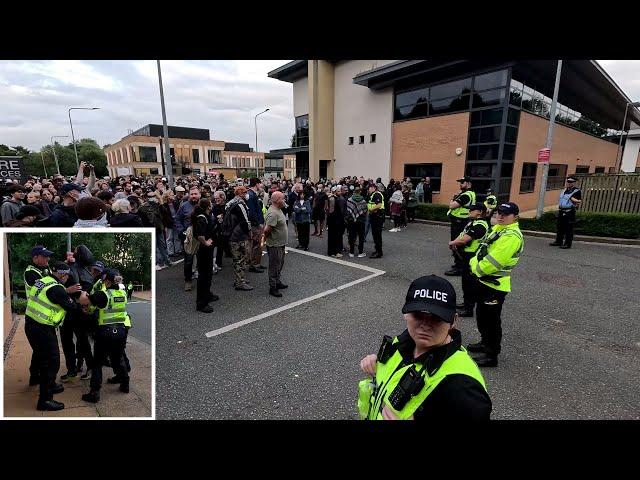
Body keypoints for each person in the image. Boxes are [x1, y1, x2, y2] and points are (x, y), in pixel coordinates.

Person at [358, 275, 491, 420]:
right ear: (406, 314)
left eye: (436, 318)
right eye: (418, 315)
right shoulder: (403, 342)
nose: (425, 326)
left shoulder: (463, 386)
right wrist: (377, 366)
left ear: (454, 321)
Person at [24, 262, 90, 411]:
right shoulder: (57, 289)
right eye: (67, 275)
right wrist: (84, 303)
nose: (67, 278)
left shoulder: (44, 280)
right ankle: (45, 400)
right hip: (41, 328)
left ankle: (48, 384)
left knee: (41, 357)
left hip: (33, 324)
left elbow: (53, 298)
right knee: (51, 361)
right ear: (62, 274)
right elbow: (72, 307)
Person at [468, 202, 524, 367]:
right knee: (482, 317)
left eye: (505, 214)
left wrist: (475, 269)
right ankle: (485, 343)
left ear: (515, 217)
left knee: (491, 321)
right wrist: (474, 264)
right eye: (499, 213)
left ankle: (492, 355)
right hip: (485, 281)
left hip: (495, 284)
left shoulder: (511, 236)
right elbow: (481, 250)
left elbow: (494, 261)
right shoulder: (500, 229)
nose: (500, 216)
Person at [81, 269, 131, 403]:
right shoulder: (123, 293)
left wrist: (83, 294)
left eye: (103, 280)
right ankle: (125, 384)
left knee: (97, 362)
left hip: (105, 332)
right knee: (117, 358)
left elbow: (85, 300)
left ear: (107, 281)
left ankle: (94, 392)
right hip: (121, 331)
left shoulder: (103, 295)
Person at [447, 203, 490, 317]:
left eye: (472, 210)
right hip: (466, 256)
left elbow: (465, 239)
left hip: (473, 256)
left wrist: (453, 243)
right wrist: (455, 241)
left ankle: (468, 309)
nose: (469, 211)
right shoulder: (473, 222)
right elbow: (462, 234)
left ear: (480, 212)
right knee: (465, 282)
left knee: (469, 283)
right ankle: (466, 303)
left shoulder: (480, 225)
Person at [192, 198, 219, 313]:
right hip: (204, 250)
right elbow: (200, 235)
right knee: (203, 276)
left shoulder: (206, 215)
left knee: (208, 274)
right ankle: (201, 303)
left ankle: (207, 295)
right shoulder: (201, 218)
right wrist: (206, 242)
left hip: (207, 249)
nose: (212, 204)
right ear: (208, 206)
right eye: (210, 203)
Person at [445, 177, 476, 276]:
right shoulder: (470, 193)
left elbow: (452, 205)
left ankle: (459, 268)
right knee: (458, 244)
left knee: (457, 244)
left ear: (468, 183)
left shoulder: (466, 195)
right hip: (461, 221)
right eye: (460, 182)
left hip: (459, 223)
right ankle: (458, 264)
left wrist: (452, 199)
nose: (460, 184)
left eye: (462, 182)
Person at [225, 186, 253, 291]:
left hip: (232, 234)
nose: (247, 194)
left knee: (237, 259)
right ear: (240, 194)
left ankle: (239, 278)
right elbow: (246, 221)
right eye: (245, 192)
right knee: (241, 258)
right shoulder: (240, 204)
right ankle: (240, 282)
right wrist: (249, 233)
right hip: (239, 235)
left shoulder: (230, 203)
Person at [264, 191, 289, 297]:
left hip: (280, 243)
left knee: (280, 264)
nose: (284, 201)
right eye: (283, 199)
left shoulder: (278, 209)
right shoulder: (273, 213)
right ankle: (273, 287)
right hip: (275, 244)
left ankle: (277, 282)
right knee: (274, 266)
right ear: (277, 200)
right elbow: (266, 230)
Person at [176, 186, 201, 291]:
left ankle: (201, 277)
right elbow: (177, 219)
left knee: (201, 259)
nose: (194, 196)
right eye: (192, 194)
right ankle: (188, 281)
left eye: (196, 194)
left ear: (199, 195)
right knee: (188, 260)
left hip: (201, 237)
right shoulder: (184, 206)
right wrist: (182, 231)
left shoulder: (203, 205)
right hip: (188, 237)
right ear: (189, 195)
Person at [550, 176, 582, 249]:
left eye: (570, 182)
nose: (568, 183)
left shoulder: (576, 191)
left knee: (568, 228)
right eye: (568, 181)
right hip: (561, 210)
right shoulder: (564, 190)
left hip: (569, 211)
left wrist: (573, 199)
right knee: (560, 227)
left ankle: (567, 244)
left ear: (574, 183)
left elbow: (579, 201)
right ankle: (558, 241)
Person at [247, 178, 267, 273]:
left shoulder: (251, 194)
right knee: (256, 244)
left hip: (257, 223)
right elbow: (252, 212)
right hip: (255, 224)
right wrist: (258, 223)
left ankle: (257, 263)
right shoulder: (251, 195)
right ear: (256, 184)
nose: (261, 185)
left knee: (258, 244)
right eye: (260, 183)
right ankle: (254, 264)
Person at [345, 186, 367, 258]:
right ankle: (360, 252)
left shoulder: (349, 200)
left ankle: (351, 252)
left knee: (352, 236)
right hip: (361, 221)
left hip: (352, 221)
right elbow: (365, 210)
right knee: (361, 236)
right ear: (360, 192)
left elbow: (348, 211)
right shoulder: (363, 201)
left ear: (354, 192)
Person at [367, 183, 385, 258]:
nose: (368, 190)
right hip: (375, 217)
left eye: (369, 188)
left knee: (377, 235)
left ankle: (379, 253)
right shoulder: (373, 194)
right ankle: (377, 250)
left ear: (373, 188)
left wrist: (371, 210)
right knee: (375, 235)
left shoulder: (377, 194)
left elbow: (379, 205)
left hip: (378, 217)